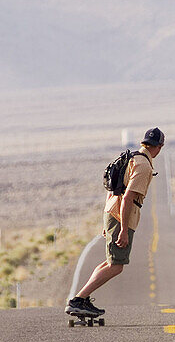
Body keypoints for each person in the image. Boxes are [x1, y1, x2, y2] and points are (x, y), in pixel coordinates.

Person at [66, 127, 165, 317]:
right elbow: (127, 198)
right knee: (116, 265)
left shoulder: (132, 158)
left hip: (112, 211)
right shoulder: (144, 166)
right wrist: (123, 230)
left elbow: (112, 189)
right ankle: (78, 300)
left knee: (111, 261)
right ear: (159, 147)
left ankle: (82, 299)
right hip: (120, 215)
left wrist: (107, 219)